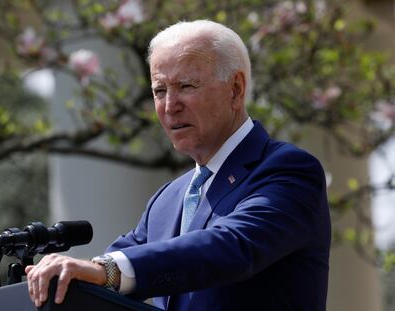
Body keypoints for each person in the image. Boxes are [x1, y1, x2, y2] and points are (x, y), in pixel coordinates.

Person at [26, 20, 331, 311]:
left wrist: (101, 269)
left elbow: (230, 247)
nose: (170, 105)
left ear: (236, 89)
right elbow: (113, 268)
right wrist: (58, 276)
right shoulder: (168, 199)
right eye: (160, 91)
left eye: (186, 86)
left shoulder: (288, 170)